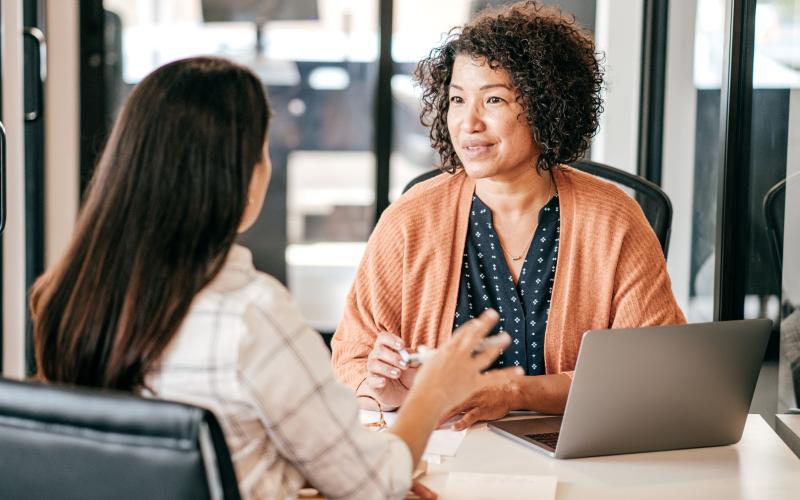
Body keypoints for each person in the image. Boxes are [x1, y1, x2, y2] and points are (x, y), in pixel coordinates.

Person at [29, 57, 522, 500]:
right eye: (263, 151)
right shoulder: (251, 315)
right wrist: (434, 391)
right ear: (239, 177)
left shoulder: (68, 297)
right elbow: (374, 485)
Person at [331, 0, 685, 430]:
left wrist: (516, 392)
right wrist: (387, 392)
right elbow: (352, 358)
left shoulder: (613, 219)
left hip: (574, 453)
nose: (468, 123)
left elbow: (650, 371)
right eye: (457, 100)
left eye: (493, 99)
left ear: (544, 105)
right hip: (445, 453)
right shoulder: (410, 219)